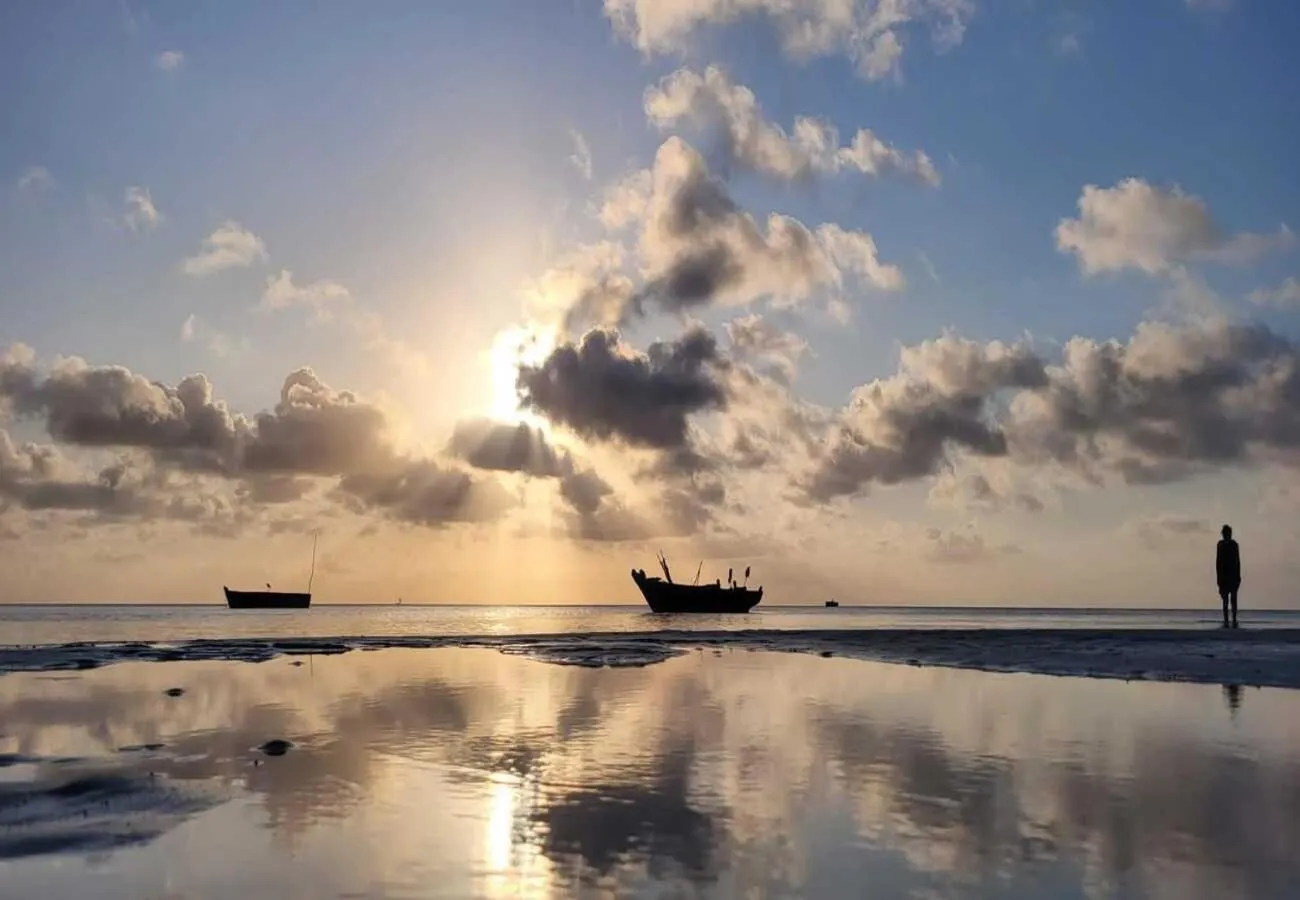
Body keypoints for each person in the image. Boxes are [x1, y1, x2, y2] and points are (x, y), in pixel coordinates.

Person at [1216, 525, 1241, 628]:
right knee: (1226, 600)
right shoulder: (1220, 545)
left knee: (1233, 600)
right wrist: (1219, 579)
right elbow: (1218, 562)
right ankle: (1227, 620)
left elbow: (1238, 561)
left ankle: (1233, 620)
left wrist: (1238, 576)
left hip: (1232, 576)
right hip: (1225, 577)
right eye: (1225, 533)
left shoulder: (1234, 545)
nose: (1226, 535)